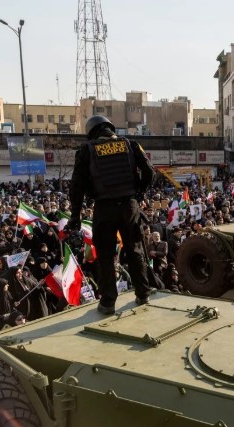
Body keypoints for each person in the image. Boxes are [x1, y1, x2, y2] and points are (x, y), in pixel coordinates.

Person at [68, 115, 154, 315]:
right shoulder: (131, 145)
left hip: (104, 207)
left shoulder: (86, 150)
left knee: (105, 256)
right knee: (134, 250)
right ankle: (143, 293)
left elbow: (77, 187)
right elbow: (150, 172)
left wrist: (75, 216)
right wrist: (139, 192)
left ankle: (108, 302)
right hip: (129, 206)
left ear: (91, 133)